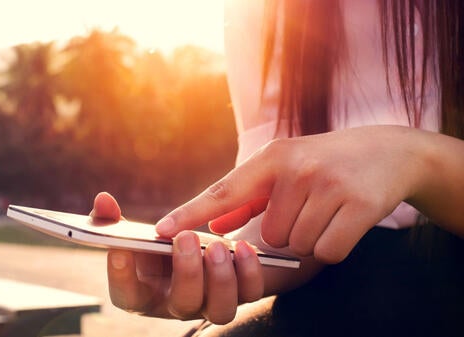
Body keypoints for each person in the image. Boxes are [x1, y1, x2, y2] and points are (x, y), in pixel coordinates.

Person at [91, 1, 464, 336]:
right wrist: (223, 265)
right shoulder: (264, 10)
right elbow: (282, 225)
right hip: (341, 280)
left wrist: (419, 161)